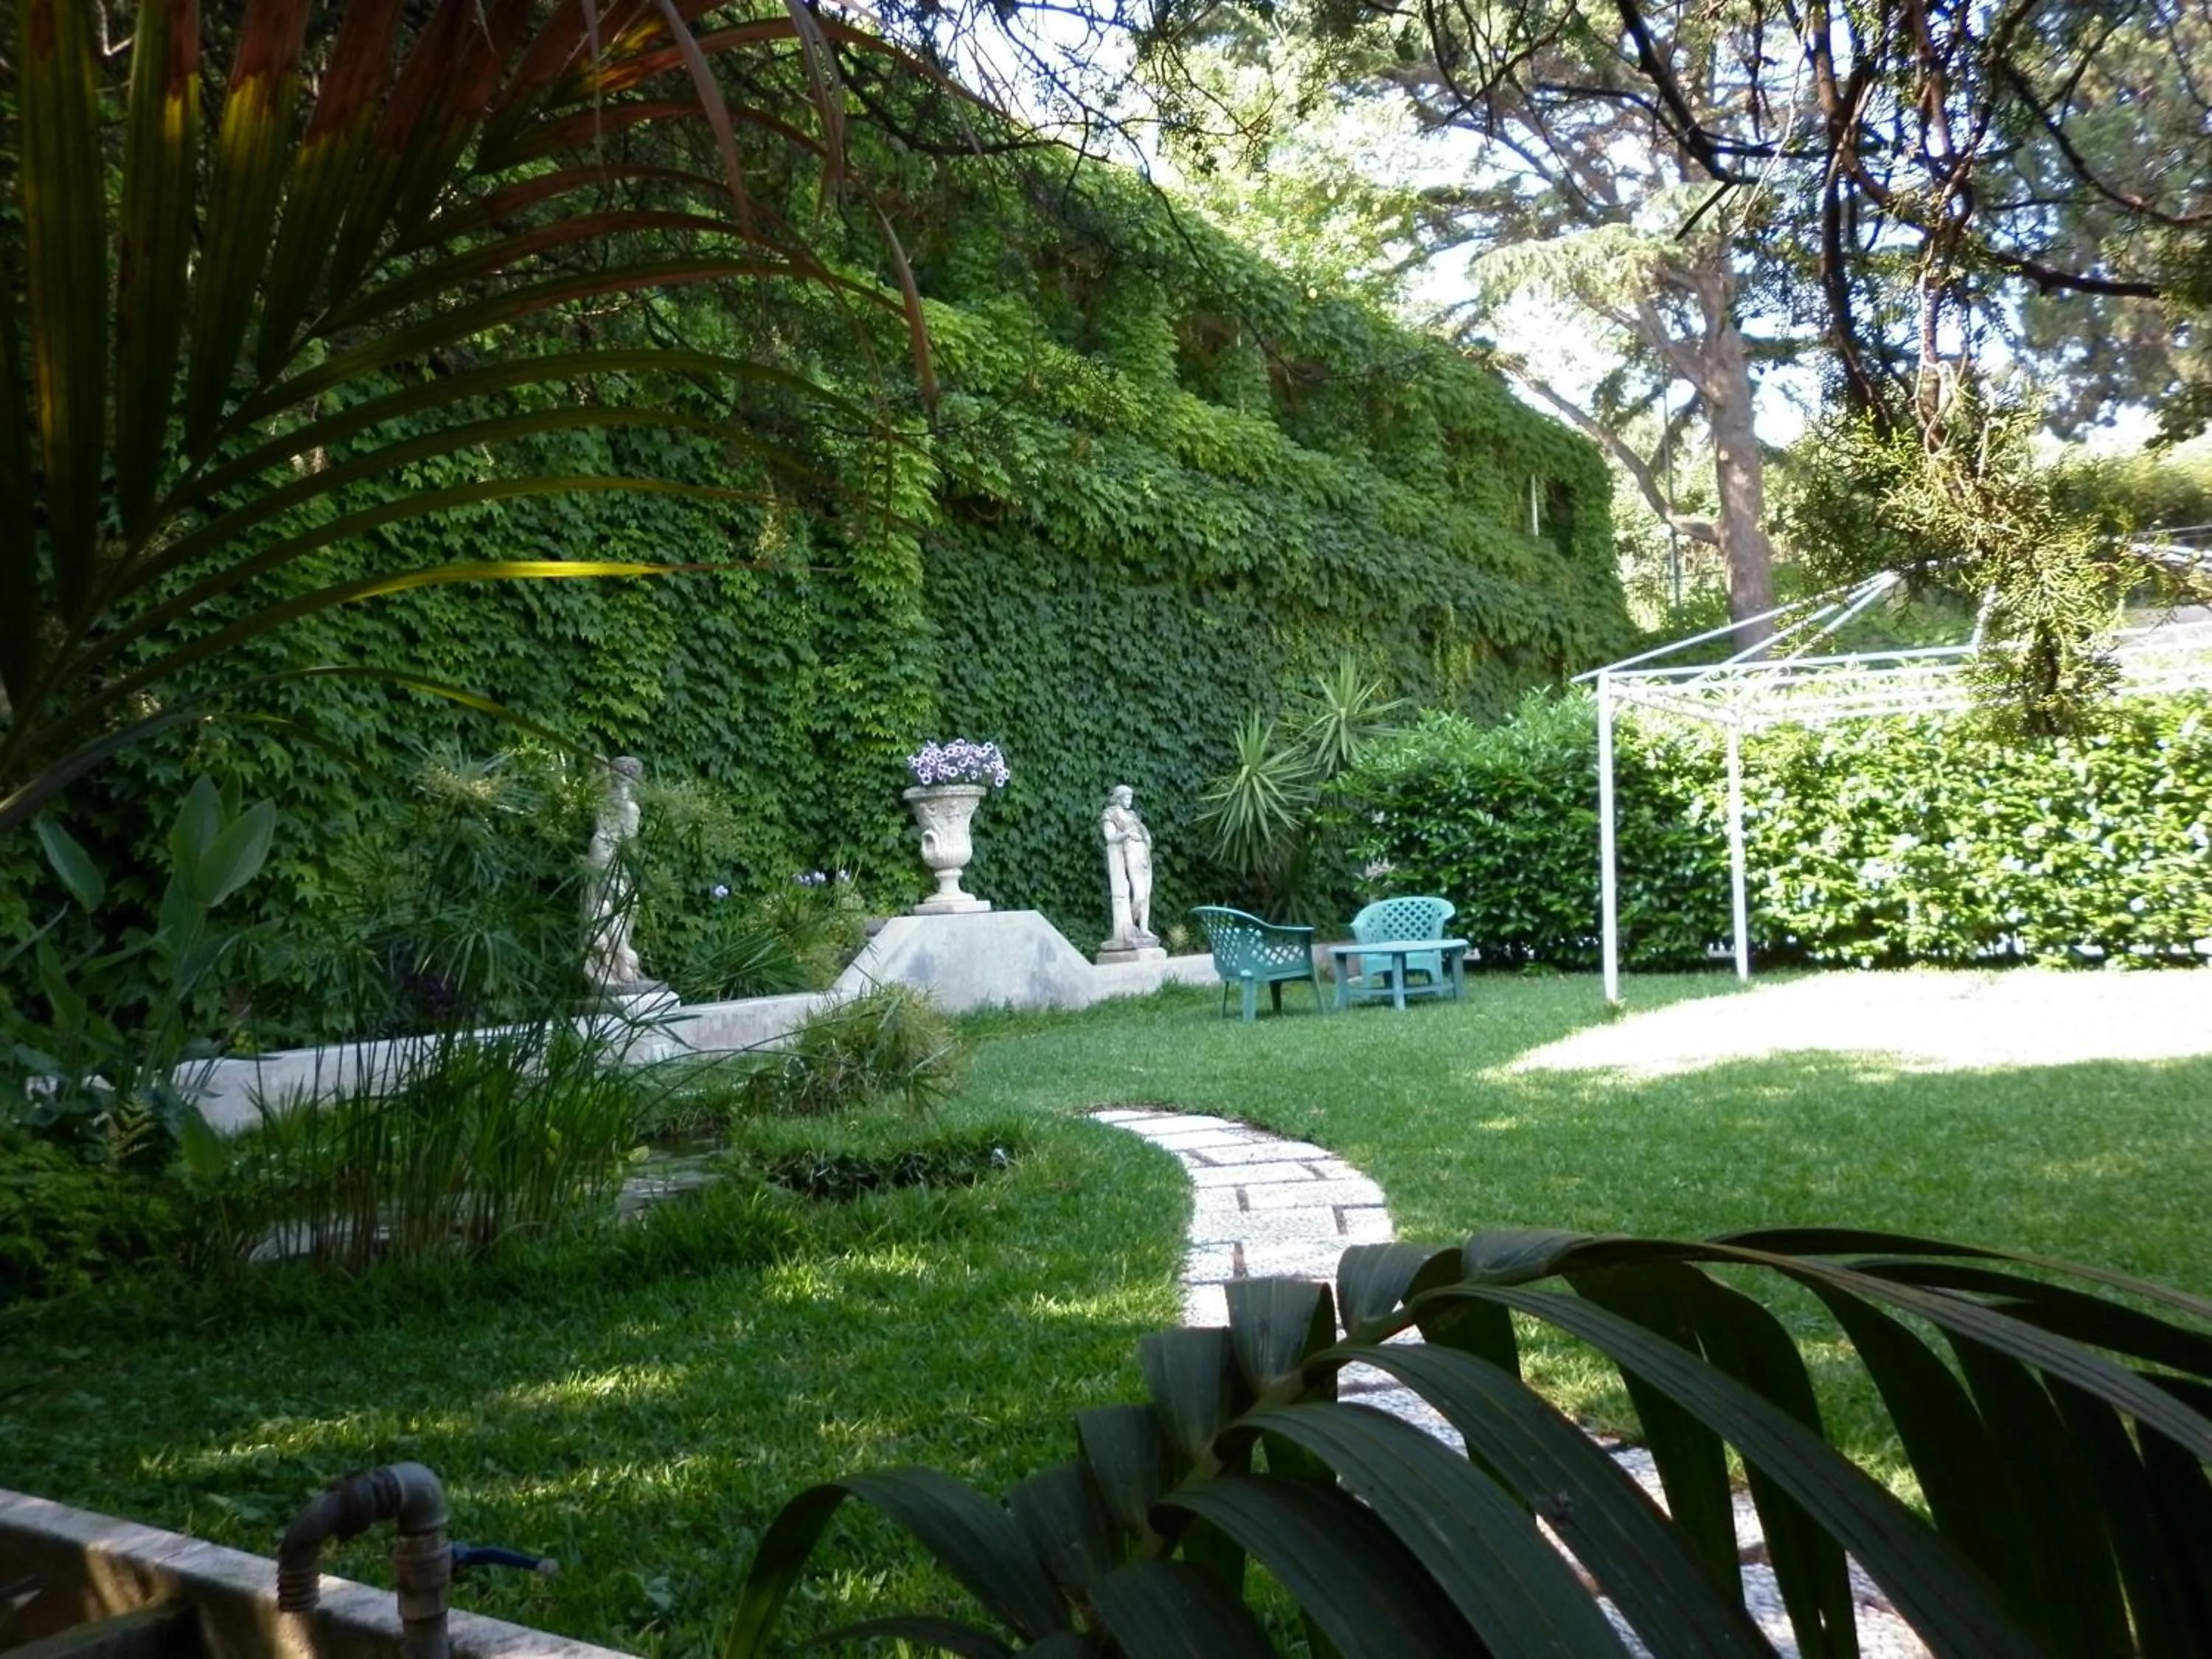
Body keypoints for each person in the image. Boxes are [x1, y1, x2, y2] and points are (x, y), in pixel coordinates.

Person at [583, 756, 646, 989]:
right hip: (612, 854)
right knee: (622, 906)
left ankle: (618, 964)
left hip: (598, 848)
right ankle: (625, 962)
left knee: (604, 906)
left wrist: (601, 771)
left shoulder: (604, 799)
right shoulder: (630, 808)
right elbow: (628, 842)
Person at [1101, 784, 1156, 944]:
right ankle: (1129, 925)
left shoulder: (1132, 814)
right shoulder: (1110, 814)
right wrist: (1128, 834)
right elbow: (1110, 838)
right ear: (1118, 798)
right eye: (1126, 797)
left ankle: (1144, 929)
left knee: (1146, 894)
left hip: (1143, 852)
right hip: (1130, 852)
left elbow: (1143, 830)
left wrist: (1147, 840)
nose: (1129, 800)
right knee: (1139, 895)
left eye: (1131, 797)